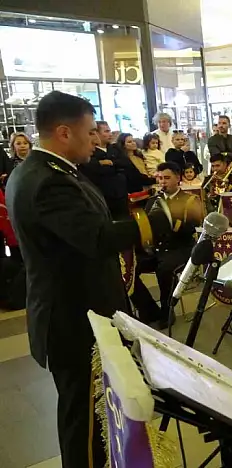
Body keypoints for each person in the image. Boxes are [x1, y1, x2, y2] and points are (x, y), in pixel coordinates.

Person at [5, 90, 171, 468]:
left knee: (93, 412)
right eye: (89, 132)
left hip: (78, 312)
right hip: (72, 320)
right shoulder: (48, 181)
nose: (96, 139)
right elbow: (95, 238)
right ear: (64, 132)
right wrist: (163, 219)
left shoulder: (42, 171)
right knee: (82, 416)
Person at [142, 162, 203, 323]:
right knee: (128, 267)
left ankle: (166, 309)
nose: (162, 182)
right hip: (157, 249)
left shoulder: (190, 200)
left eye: (167, 178)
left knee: (164, 269)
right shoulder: (152, 201)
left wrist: (169, 220)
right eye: (160, 178)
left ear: (178, 178)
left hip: (180, 248)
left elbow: (192, 228)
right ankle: (148, 309)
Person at [81, 123, 128, 219]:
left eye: (110, 131)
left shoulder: (115, 148)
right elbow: (92, 167)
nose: (110, 134)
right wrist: (102, 164)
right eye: (106, 131)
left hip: (121, 193)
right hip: (103, 195)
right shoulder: (90, 151)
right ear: (96, 133)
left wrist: (109, 162)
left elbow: (125, 163)